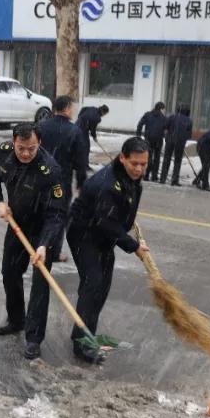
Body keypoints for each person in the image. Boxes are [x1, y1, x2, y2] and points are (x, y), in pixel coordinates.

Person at [0, 123, 67, 360]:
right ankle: (17, 319)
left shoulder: (50, 170)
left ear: (39, 142)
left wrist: (44, 244)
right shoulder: (4, 153)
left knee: (40, 283)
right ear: (14, 141)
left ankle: (33, 337)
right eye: (21, 148)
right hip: (16, 224)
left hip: (42, 231)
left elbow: (57, 213)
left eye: (31, 148)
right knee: (9, 272)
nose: (26, 153)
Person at [66, 137, 151, 364]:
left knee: (102, 287)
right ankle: (82, 344)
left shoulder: (130, 178)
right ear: (122, 158)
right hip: (84, 234)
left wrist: (126, 219)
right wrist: (134, 247)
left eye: (144, 164)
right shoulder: (108, 184)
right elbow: (106, 223)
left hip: (102, 235)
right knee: (93, 283)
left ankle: (87, 334)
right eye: (135, 163)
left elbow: (120, 214)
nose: (139, 168)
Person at [37, 95, 87, 262]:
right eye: (72, 107)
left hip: (40, 176)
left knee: (40, 211)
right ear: (67, 108)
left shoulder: (41, 127)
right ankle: (53, 251)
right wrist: (81, 182)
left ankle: (37, 245)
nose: (73, 110)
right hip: (62, 180)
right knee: (58, 215)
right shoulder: (74, 131)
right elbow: (81, 161)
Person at [161, 104, 192, 186]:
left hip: (170, 140)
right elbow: (189, 134)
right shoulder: (189, 120)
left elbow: (165, 126)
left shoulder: (172, 117)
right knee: (177, 161)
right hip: (180, 143)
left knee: (167, 159)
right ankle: (174, 180)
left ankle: (162, 178)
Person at [136, 101, 167, 182]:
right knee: (156, 159)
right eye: (164, 109)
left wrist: (138, 135)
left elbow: (140, 124)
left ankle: (146, 175)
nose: (164, 111)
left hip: (148, 140)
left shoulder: (147, 114)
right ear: (161, 109)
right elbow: (166, 129)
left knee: (148, 158)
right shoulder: (163, 118)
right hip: (158, 141)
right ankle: (154, 176)